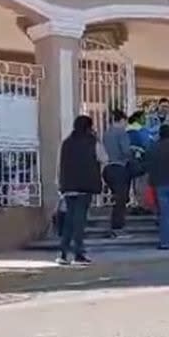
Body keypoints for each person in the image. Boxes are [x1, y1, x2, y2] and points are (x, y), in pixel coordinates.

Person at [55, 115, 102, 265]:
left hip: (68, 187)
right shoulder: (92, 142)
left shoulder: (66, 143)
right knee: (79, 220)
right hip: (85, 186)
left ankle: (63, 253)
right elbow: (104, 157)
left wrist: (60, 184)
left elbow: (59, 164)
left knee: (69, 219)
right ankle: (78, 254)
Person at [101, 109, 133, 238]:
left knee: (118, 198)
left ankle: (116, 226)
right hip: (120, 167)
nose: (126, 125)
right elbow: (126, 151)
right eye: (125, 122)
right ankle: (118, 228)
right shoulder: (122, 133)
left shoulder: (106, 134)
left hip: (108, 168)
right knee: (121, 199)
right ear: (121, 121)